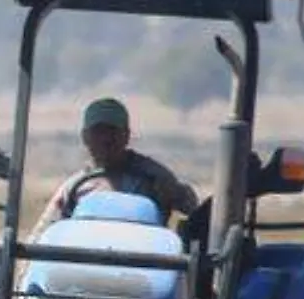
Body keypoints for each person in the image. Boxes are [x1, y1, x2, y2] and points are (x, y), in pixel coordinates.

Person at [29, 97, 200, 239]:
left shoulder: (153, 176)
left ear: (126, 135)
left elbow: (192, 208)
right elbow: (42, 234)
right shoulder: (74, 187)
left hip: (142, 267)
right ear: (85, 137)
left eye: (112, 131)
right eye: (98, 132)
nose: (105, 140)